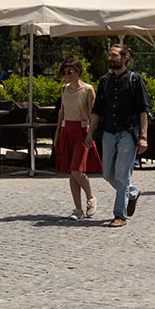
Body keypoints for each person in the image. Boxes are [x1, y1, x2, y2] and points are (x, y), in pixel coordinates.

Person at [86, 44, 151, 228]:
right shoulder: (105, 81)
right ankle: (132, 193)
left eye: (114, 55)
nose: (110, 58)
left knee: (122, 175)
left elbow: (143, 110)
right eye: (110, 55)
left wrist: (143, 136)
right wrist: (90, 133)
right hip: (108, 132)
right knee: (107, 173)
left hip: (128, 133)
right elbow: (97, 109)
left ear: (125, 58)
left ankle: (119, 215)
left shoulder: (134, 79)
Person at [53, 58, 101, 220]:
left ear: (78, 71)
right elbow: (61, 112)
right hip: (67, 131)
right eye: (64, 72)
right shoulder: (64, 89)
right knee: (71, 172)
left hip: (81, 130)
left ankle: (90, 197)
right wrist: (57, 134)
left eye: (70, 72)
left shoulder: (88, 89)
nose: (67, 75)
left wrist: (90, 135)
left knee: (76, 169)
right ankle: (78, 209)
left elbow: (93, 114)